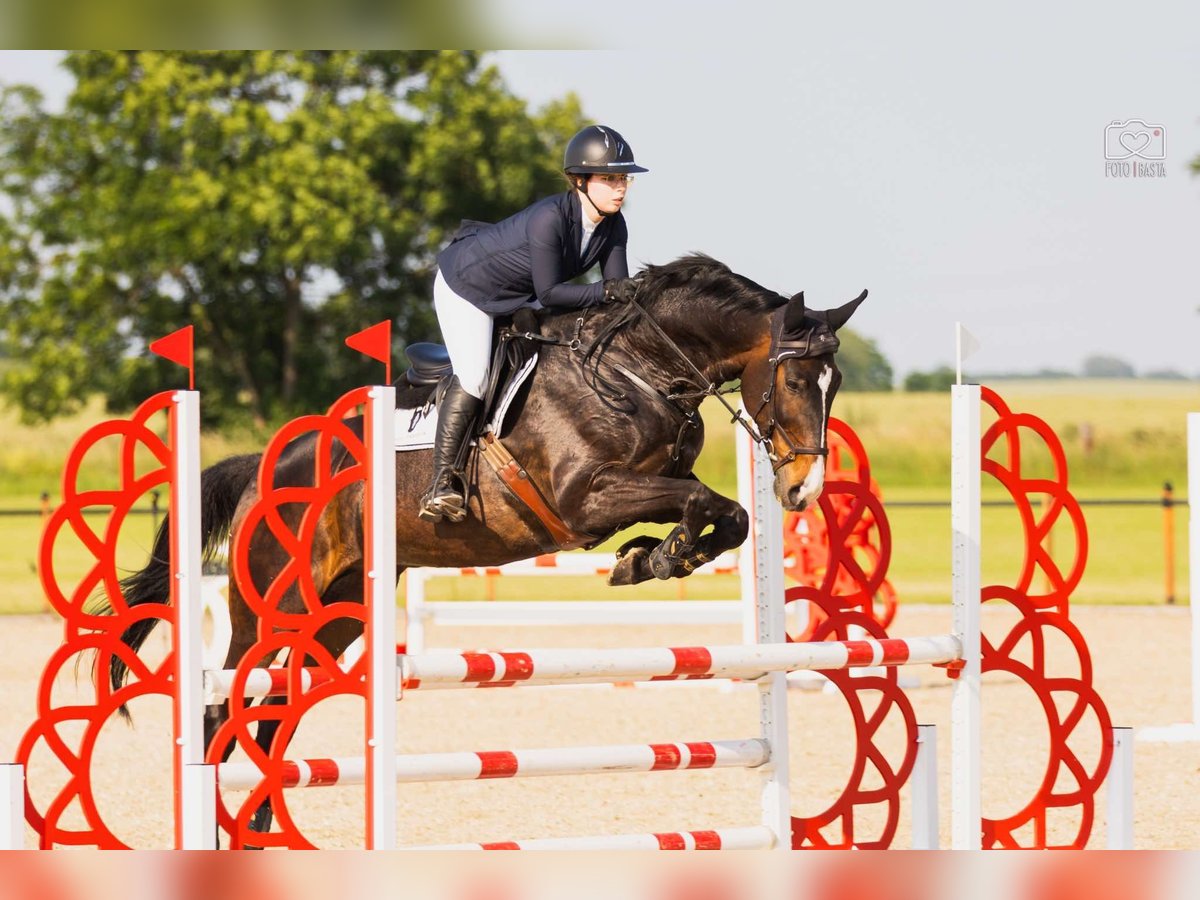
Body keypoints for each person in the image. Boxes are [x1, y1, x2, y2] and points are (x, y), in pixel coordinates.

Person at [418, 125, 649, 523]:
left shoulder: (614, 226)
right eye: (610, 178)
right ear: (580, 181)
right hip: (469, 288)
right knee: (474, 377)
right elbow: (554, 293)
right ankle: (443, 481)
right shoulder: (549, 219)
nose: (620, 187)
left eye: (623, 178)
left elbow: (616, 295)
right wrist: (610, 292)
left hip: (516, 295)